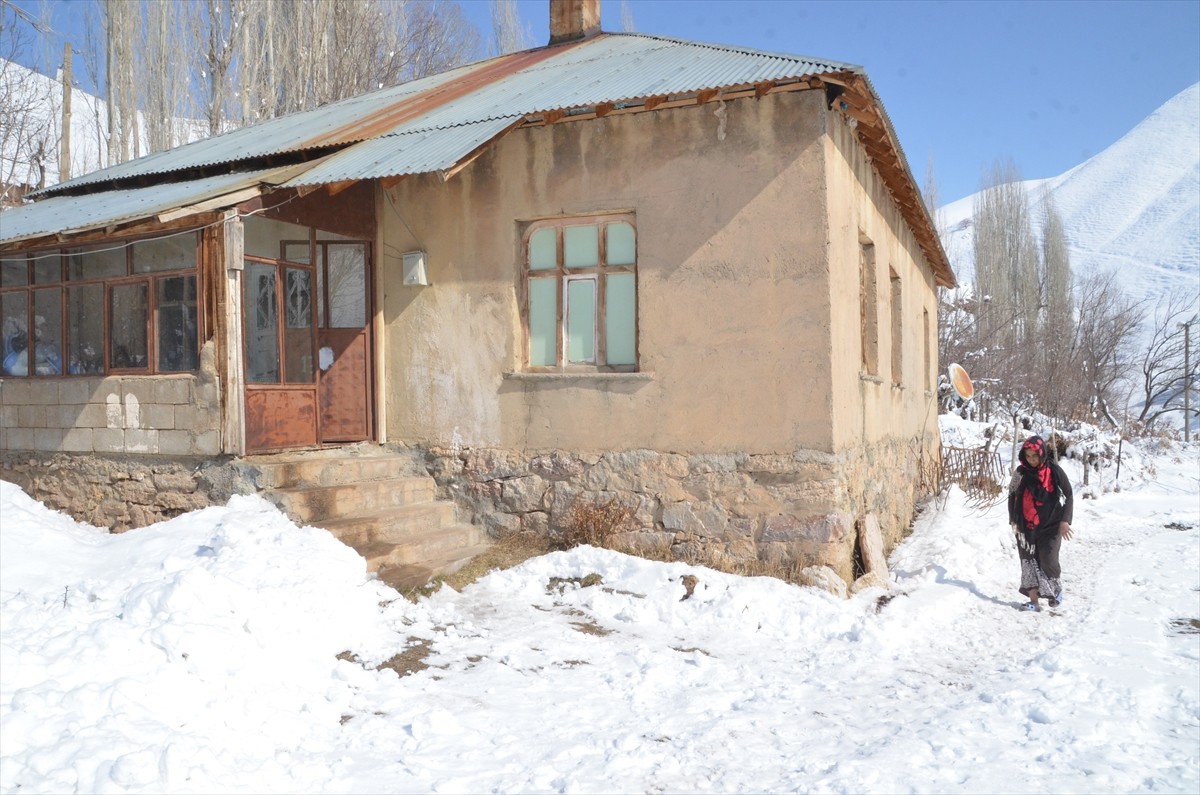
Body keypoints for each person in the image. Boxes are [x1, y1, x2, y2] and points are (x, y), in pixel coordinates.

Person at [1007, 435, 1074, 612]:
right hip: (1025, 527)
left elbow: (1069, 494)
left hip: (1051, 525)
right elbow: (1012, 495)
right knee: (1028, 562)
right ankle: (1033, 601)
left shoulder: (1054, 470)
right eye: (1028, 456)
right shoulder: (1020, 473)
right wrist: (1013, 519)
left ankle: (1056, 590)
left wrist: (1065, 520)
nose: (1032, 460)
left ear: (1042, 453)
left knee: (1047, 558)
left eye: (1034, 456)